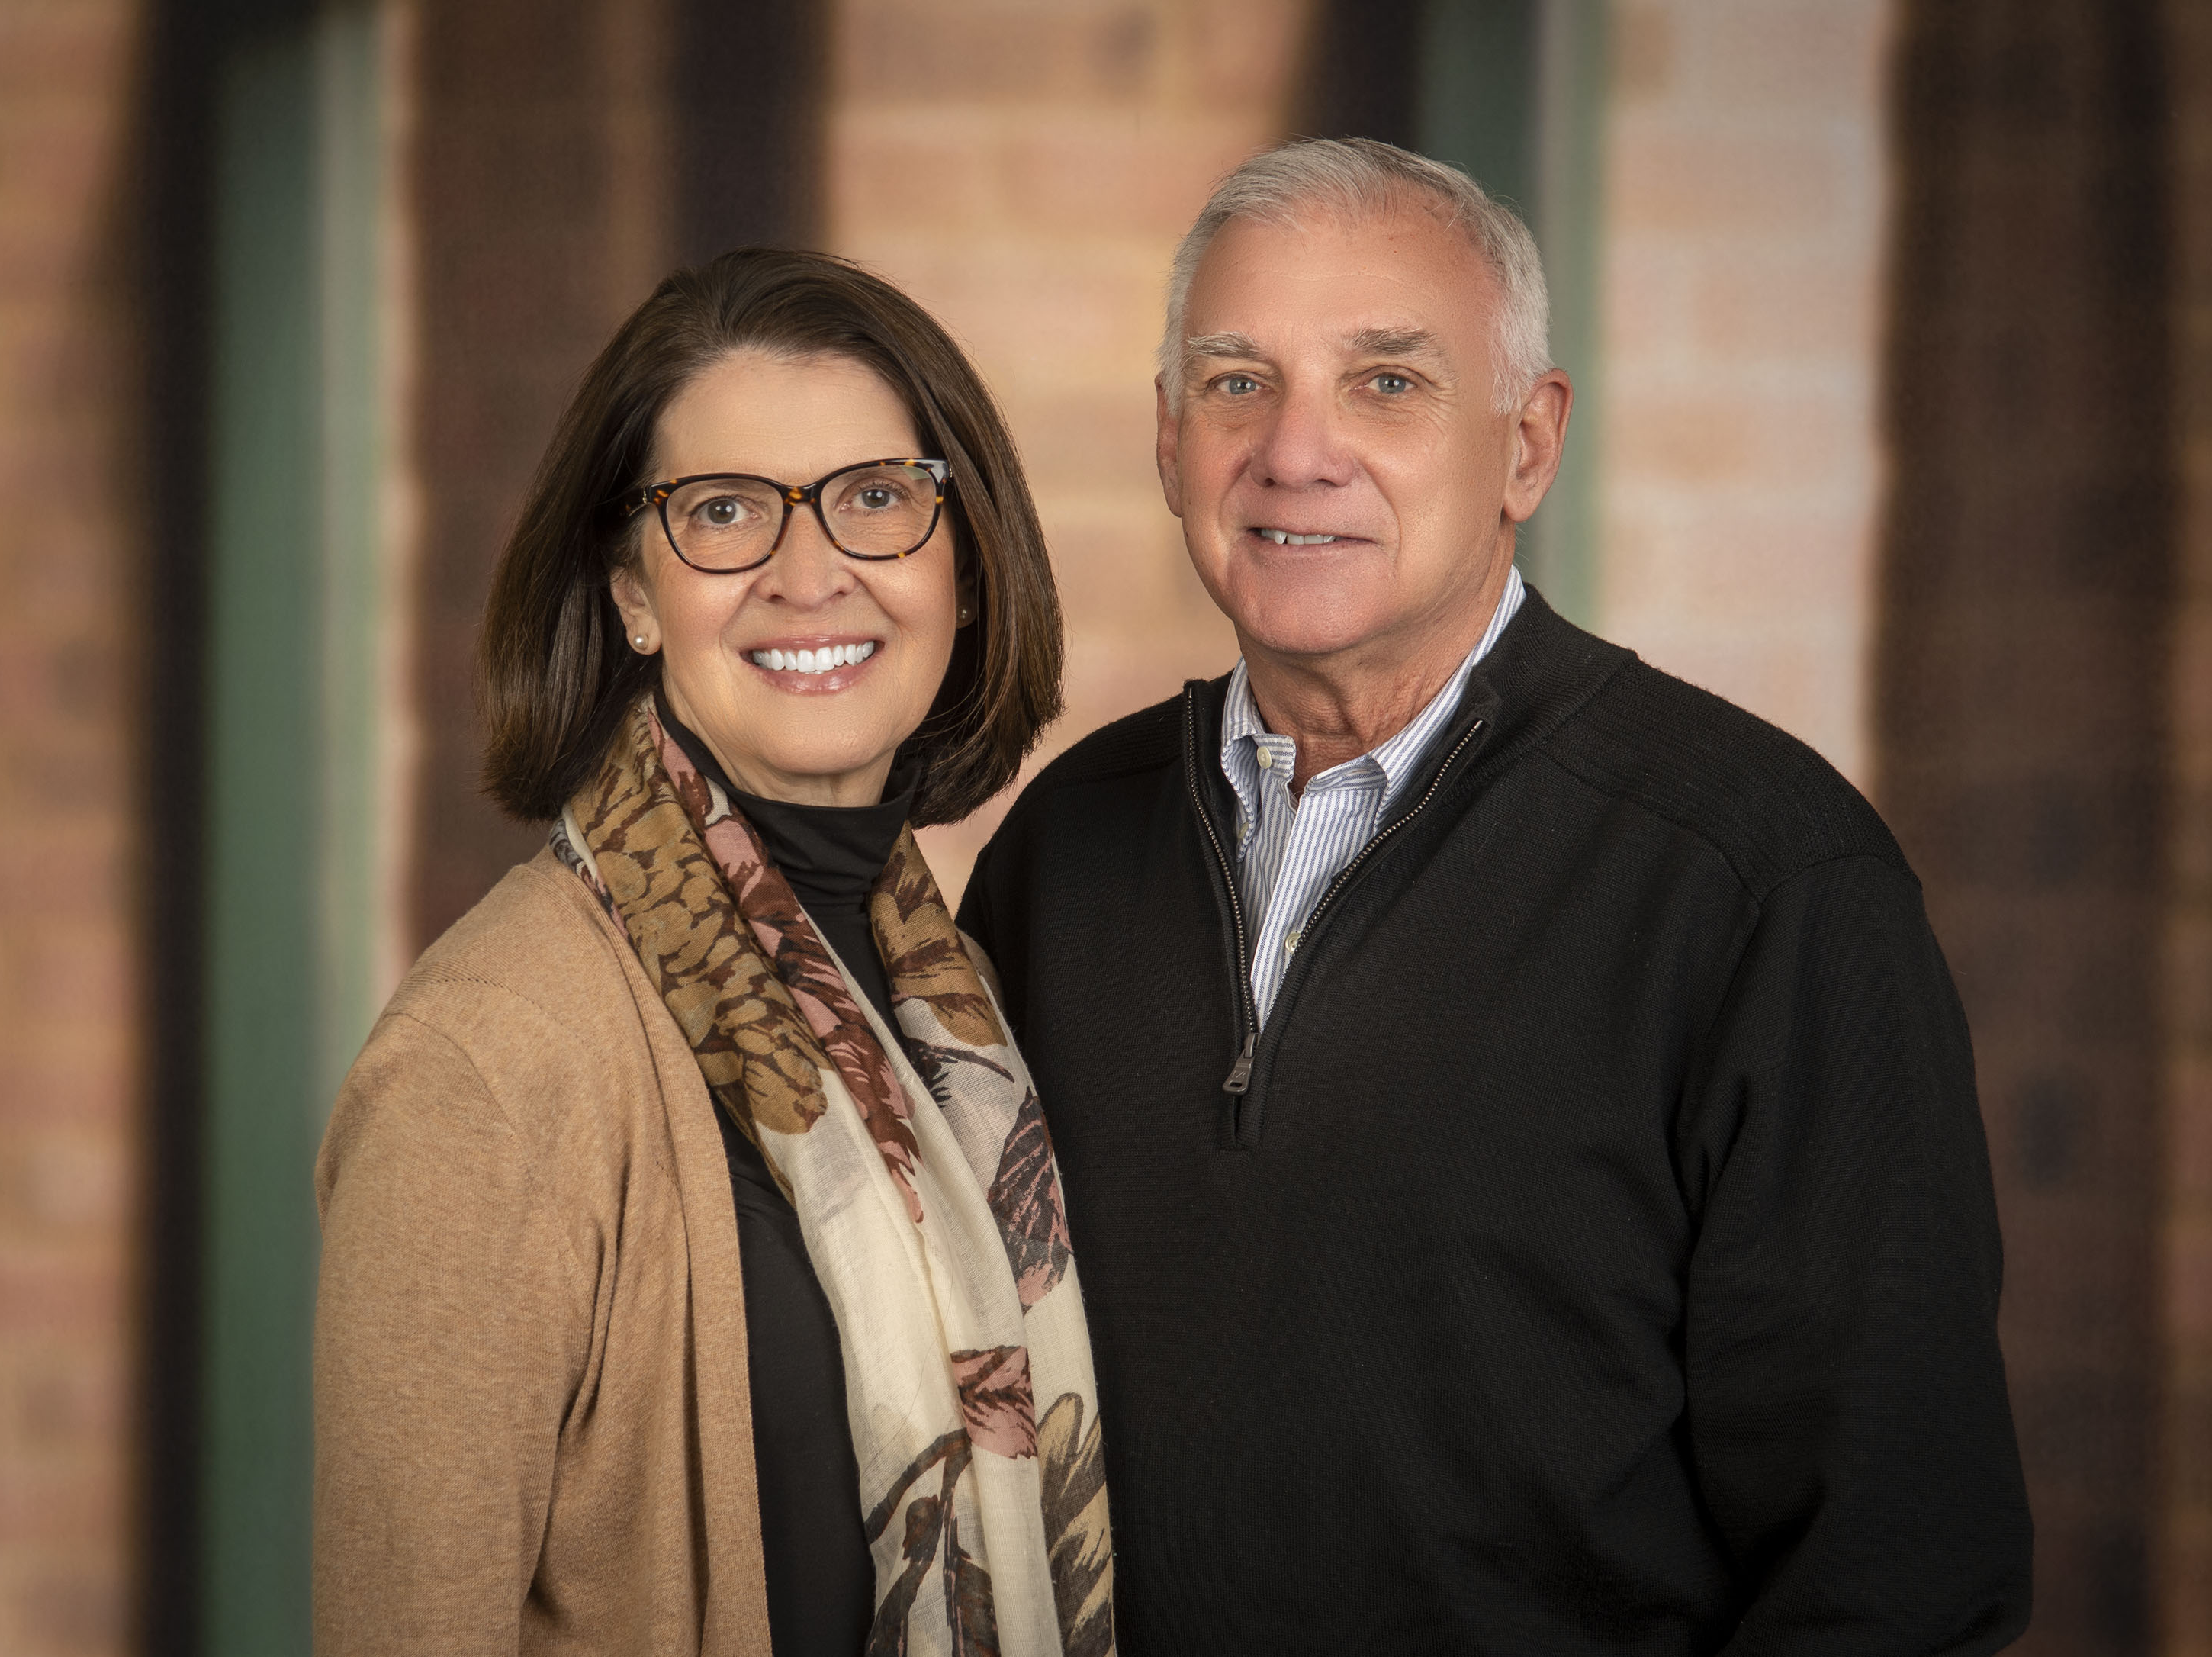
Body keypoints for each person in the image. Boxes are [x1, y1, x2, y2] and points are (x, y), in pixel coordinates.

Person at [956, 137, 2031, 1654]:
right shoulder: (1062, 853)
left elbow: (1899, 1577)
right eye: (1235, 382)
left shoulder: (1762, 882)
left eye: (1387, 383)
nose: (1296, 451)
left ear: (1528, 445)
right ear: (1166, 438)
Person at [314, 249, 1115, 1656]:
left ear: (967, 566)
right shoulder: (488, 1060)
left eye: (876, 499)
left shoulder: (956, 1005)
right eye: (726, 513)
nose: (810, 576)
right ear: (634, 595)